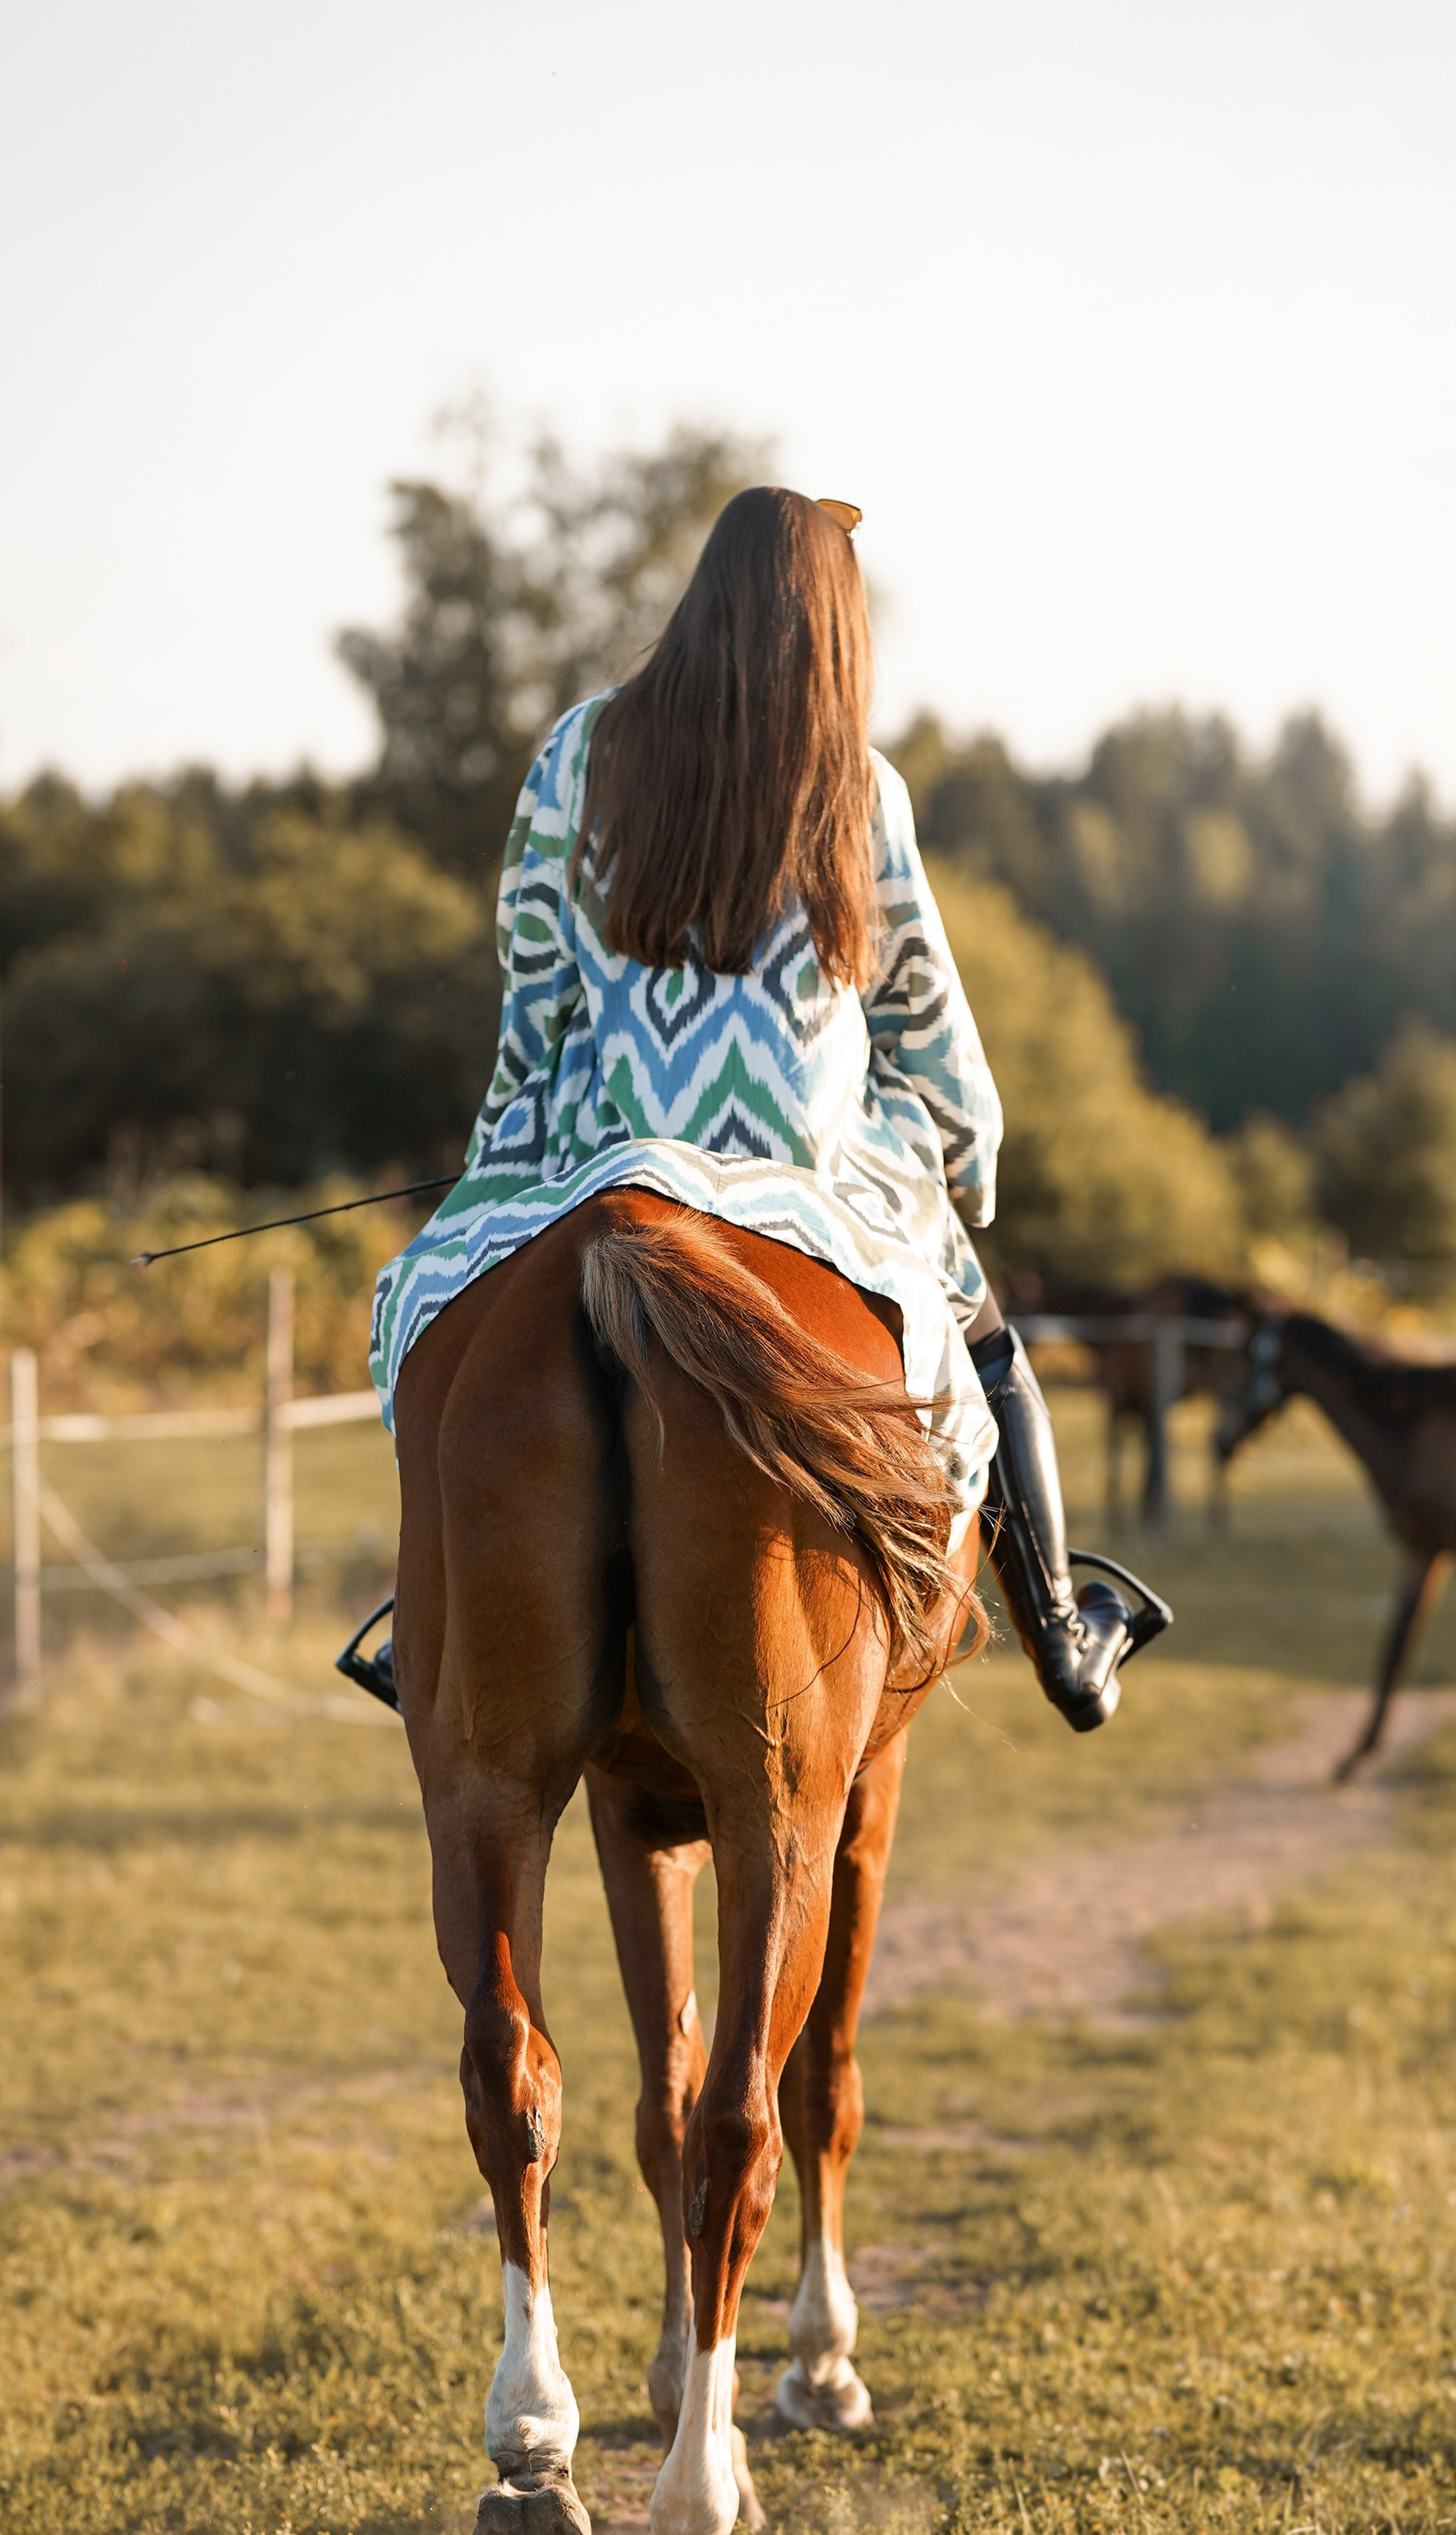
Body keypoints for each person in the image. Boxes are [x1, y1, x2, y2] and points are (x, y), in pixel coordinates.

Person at [370, 486, 1162, 1729]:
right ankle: (1062, 1632)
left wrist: (495, 1172)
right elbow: (922, 1012)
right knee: (988, 1342)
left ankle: (419, 1616)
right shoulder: (857, 783)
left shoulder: (577, 752)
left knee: (433, 1322)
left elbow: (533, 1007)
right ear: (831, 625)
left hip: (601, 1152)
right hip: (812, 1166)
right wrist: (967, 1159)